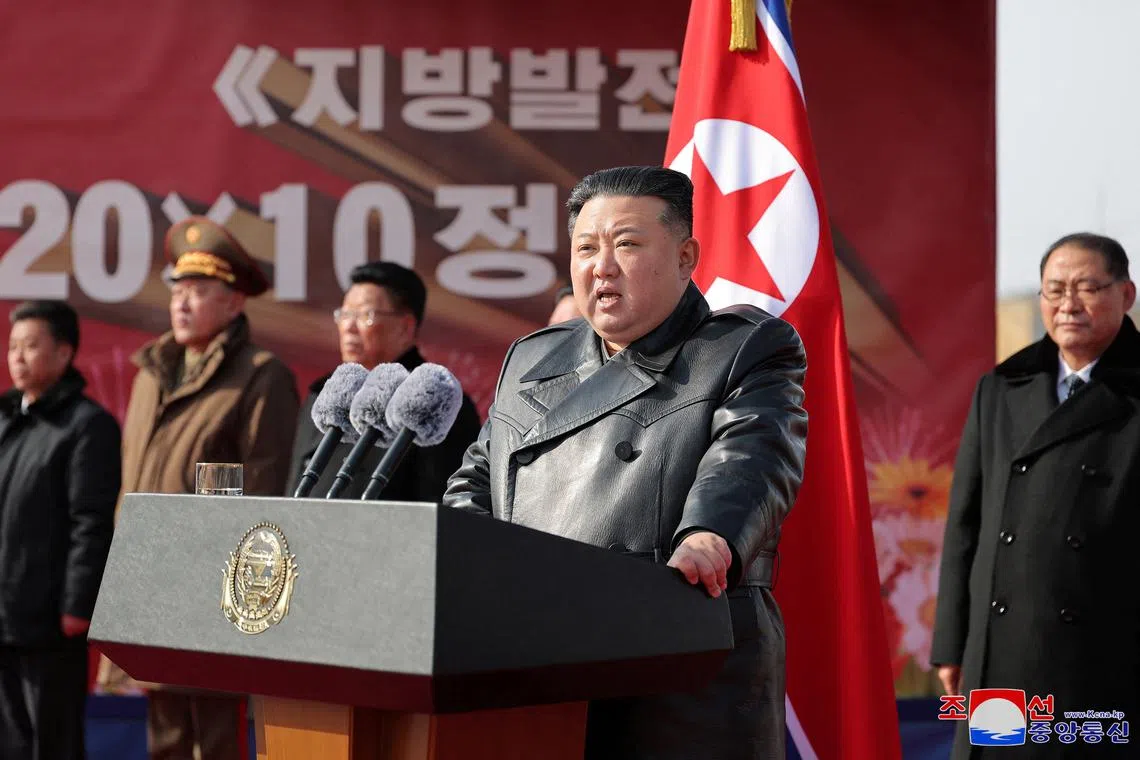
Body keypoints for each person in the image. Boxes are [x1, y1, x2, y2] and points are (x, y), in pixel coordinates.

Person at [443, 166, 808, 759]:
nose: (602, 267)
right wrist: (465, 563)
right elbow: (476, 480)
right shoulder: (533, 358)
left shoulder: (741, 347)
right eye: (586, 248)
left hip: (674, 663)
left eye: (627, 244)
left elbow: (750, 459)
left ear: (686, 257)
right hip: (535, 657)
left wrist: (709, 536)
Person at [932, 232, 1140, 758]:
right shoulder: (1003, 388)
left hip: (1107, 652)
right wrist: (953, 643)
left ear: (1126, 294)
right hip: (1002, 649)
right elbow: (966, 524)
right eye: (1055, 289)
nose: (1069, 304)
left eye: (1087, 287)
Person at [113, 217, 299, 760]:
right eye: (178, 290)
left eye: (198, 291)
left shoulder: (261, 375)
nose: (182, 303)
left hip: (215, 587)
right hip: (148, 579)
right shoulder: (150, 373)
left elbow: (265, 493)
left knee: (217, 734)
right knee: (165, 736)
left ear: (234, 303)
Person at [0, 300, 121, 760]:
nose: (17, 356)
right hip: (4, 611)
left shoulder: (87, 426)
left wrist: (77, 605)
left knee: (52, 741)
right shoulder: (7, 419)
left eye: (31, 345)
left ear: (65, 352)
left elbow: (90, 521)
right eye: (13, 346)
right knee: (10, 740)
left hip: (50, 620)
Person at [288, 261, 481, 502]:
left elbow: (445, 508)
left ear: (405, 326)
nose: (349, 327)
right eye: (344, 314)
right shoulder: (325, 397)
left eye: (365, 315)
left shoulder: (433, 403)